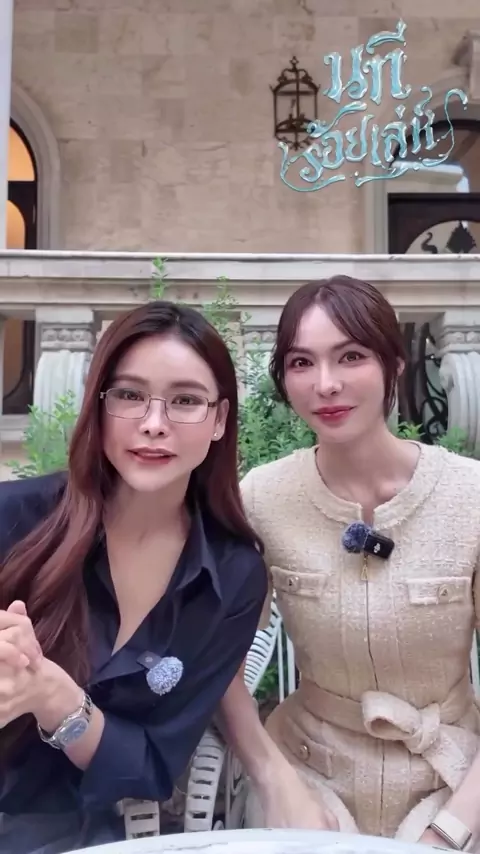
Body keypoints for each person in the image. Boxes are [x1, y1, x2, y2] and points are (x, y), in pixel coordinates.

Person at [218, 276, 480, 850]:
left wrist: (452, 829)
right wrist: (274, 779)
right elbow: (220, 668)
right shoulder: (262, 497)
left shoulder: (471, 499)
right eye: (301, 362)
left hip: (454, 777)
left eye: (351, 356)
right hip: (309, 772)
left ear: (393, 365)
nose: (326, 384)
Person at [0, 300, 268, 854]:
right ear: (99, 405)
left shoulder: (231, 578)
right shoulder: (14, 519)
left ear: (220, 420)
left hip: (65, 834)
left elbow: (150, 766)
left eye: (186, 401)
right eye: (129, 395)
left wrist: (54, 697)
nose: (153, 423)